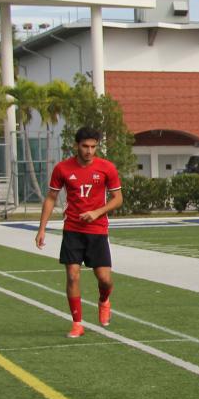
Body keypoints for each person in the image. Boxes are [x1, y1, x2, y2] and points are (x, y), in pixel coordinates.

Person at [34, 127, 123, 338]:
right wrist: (42, 229)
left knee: (104, 279)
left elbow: (118, 199)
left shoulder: (107, 168)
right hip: (72, 230)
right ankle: (77, 323)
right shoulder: (62, 168)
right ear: (76, 146)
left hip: (97, 230)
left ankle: (104, 300)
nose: (89, 151)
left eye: (93, 147)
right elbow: (51, 198)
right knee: (73, 276)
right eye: (85, 146)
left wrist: (97, 212)